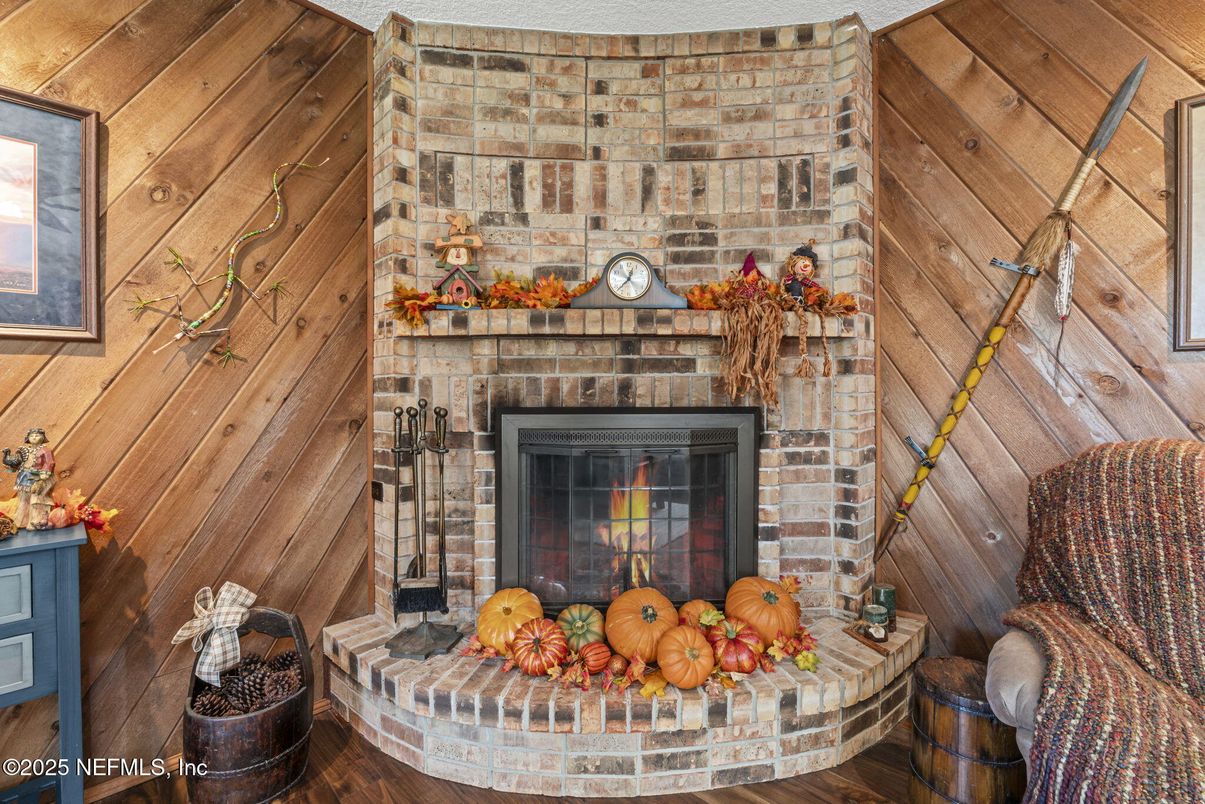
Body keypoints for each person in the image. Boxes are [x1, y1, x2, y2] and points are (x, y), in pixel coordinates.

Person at [6, 428, 55, 530]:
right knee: (23, 498)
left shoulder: (46, 450)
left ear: (43, 438)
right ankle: (22, 520)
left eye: (37, 435)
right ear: (28, 438)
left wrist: (45, 472)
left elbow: (49, 462)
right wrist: (12, 464)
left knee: (37, 498)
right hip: (25, 476)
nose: (34, 437)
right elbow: (19, 461)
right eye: (32, 436)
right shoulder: (25, 450)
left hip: (39, 477)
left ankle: (37, 520)